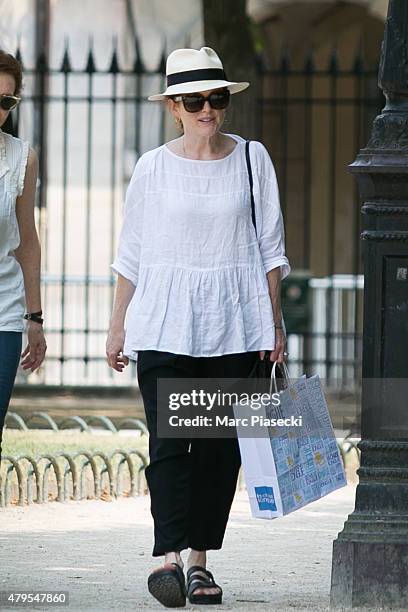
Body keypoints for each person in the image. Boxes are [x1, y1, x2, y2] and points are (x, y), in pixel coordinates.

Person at [106, 46, 290, 608]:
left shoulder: (254, 161)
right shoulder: (152, 168)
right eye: (195, 99)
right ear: (174, 107)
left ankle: (200, 564)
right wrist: (117, 326)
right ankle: (167, 559)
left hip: (235, 325)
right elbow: (131, 254)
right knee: (169, 445)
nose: (207, 108)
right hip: (164, 323)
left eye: (215, 98)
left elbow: (270, 252)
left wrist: (274, 327)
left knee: (217, 451)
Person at [0, 50, 47, 461]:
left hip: (4, 311)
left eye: (6, 101)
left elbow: (27, 240)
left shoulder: (21, 158)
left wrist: (35, 319)